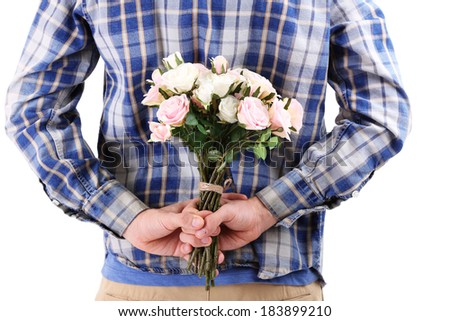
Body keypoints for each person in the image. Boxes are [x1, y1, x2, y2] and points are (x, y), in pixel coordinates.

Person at [5, 0, 410, 301]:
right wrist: (270, 207)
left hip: (136, 287)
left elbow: (32, 112)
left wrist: (128, 218)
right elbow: (382, 117)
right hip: (278, 289)